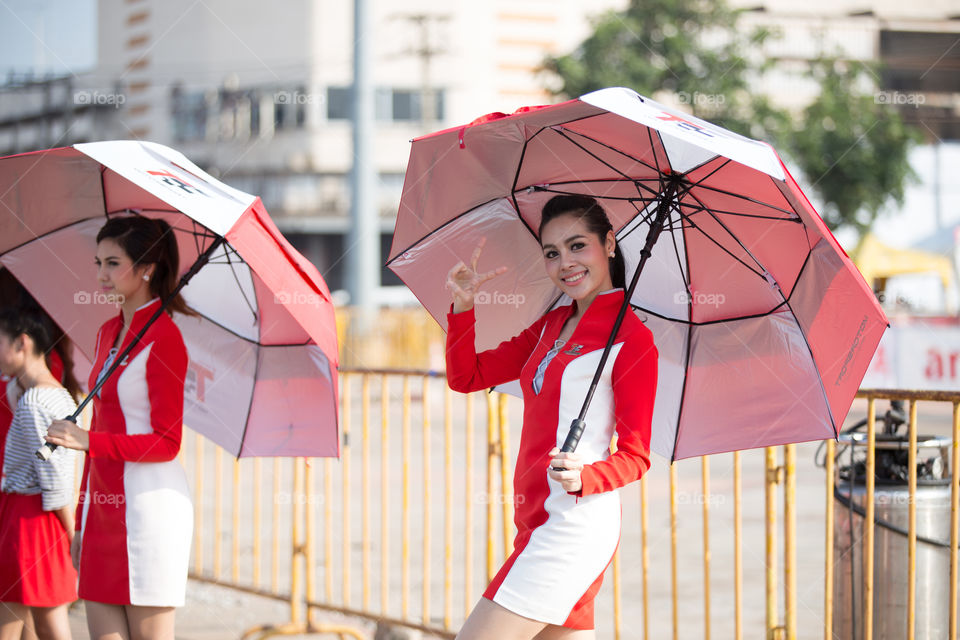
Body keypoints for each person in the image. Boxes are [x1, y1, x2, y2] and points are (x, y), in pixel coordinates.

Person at [446, 195, 658, 639]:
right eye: (552, 253)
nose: (566, 262)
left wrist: (588, 476)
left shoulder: (632, 340)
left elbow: (637, 456)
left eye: (578, 246)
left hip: (574, 525)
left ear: (610, 244)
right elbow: (468, 376)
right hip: (535, 519)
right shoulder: (549, 326)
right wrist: (464, 306)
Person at [46, 216, 193, 640]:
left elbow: (167, 443)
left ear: (147, 268)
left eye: (113, 263)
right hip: (102, 510)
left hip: (150, 511)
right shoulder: (108, 331)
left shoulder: (165, 337)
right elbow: (100, 424)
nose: (100, 275)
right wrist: (82, 515)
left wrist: (87, 441)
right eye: (98, 262)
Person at [0, 305, 81, 640]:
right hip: (42, 519)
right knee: (45, 623)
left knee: (20, 625)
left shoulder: (34, 401)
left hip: (30, 519)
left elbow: (54, 479)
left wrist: (73, 532)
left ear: (22, 343)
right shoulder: (57, 395)